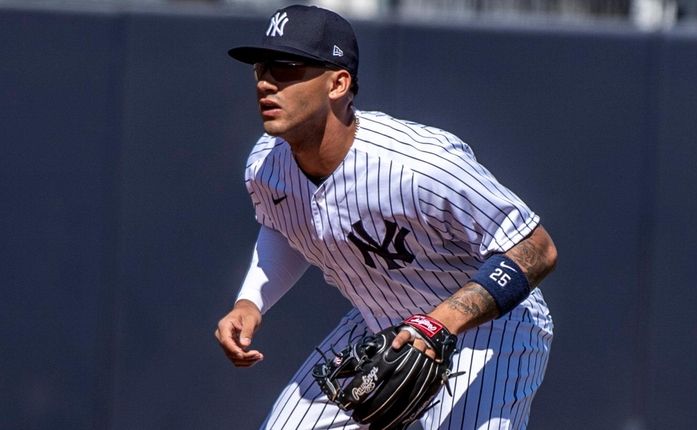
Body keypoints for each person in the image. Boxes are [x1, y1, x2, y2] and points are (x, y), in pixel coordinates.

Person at [215, 4, 558, 429]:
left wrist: (438, 325)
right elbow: (286, 227)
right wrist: (251, 302)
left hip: (490, 329)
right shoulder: (267, 165)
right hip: (381, 321)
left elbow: (535, 248)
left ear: (338, 83)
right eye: (260, 68)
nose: (266, 83)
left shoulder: (420, 165)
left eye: (286, 68)